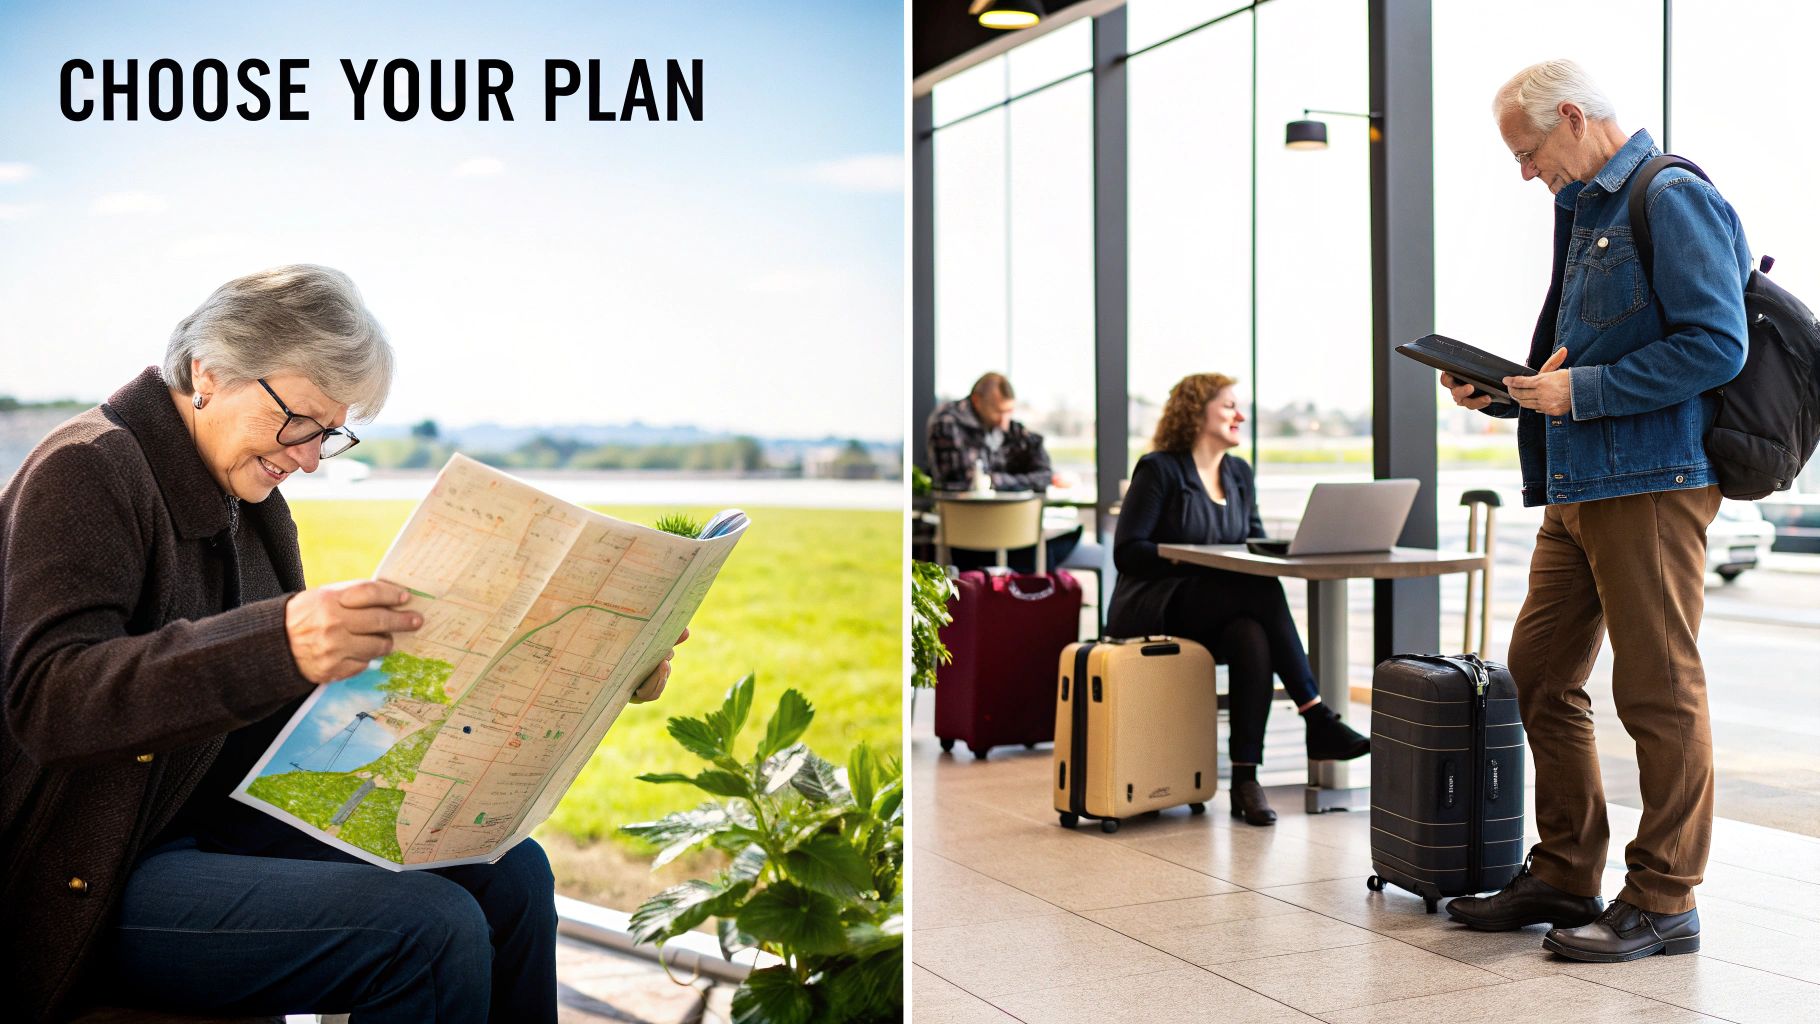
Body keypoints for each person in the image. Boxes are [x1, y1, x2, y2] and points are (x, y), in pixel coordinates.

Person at [0, 265, 686, 1022]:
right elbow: (49, 699)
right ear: (209, 371)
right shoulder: (86, 469)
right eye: (299, 421)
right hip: (95, 869)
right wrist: (280, 641)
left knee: (513, 873)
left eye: (331, 432)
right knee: (426, 929)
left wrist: (589, 665)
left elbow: (268, 700)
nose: (310, 457)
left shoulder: (252, 505)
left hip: (213, 828)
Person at [1440, 61, 1750, 963]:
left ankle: (1664, 898)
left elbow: (1717, 344)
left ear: (1573, 117)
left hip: (1650, 484)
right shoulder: (1584, 214)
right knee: (1538, 670)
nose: (1527, 172)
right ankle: (1567, 870)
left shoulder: (1669, 195)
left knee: (1658, 690)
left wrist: (1584, 392)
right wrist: (1506, 394)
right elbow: (1577, 364)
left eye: (1530, 152)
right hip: (1577, 487)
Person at [1103, 373, 1370, 826]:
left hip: (1223, 608)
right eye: (1228, 406)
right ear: (1195, 411)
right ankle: (1316, 715)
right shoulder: (1160, 469)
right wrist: (1195, 561)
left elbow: (1256, 544)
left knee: (1251, 635)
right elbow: (1128, 551)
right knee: (1259, 587)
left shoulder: (1239, 474)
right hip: (1156, 604)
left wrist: (1290, 549)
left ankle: (1246, 779)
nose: (1239, 415)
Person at [924, 371, 1079, 570]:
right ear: (977, 401)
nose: (1004, 421)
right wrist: (1014, 480)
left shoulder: (1002, 425)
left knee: (1061, 542)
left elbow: (1043, 472)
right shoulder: (947, 423)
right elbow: (968, 481)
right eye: (998, 411)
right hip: (967, 532)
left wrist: (994, 479)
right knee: (1047, 553)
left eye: (1009, 412)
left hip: (1008, 530)